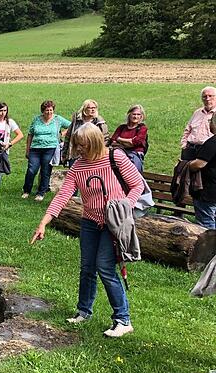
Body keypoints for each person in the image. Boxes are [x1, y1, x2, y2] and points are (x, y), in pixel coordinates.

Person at [31, 123, 144, 338]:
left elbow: (137, 185)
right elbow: (63, 195)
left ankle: (123, 319)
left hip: (114, 224)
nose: (79, 149)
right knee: (87, 267)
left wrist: (123, 207)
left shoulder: (116, 158)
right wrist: (44, 222)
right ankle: (84, 311)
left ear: (94, 142)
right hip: (90, 222)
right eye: (77, 145)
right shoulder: (78, 167)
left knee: (105, 267)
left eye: (82, 145)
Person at [22, 100, 70, 201]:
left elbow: (71, 125)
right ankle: (26, 190)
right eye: (47, 110)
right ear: (42, 111)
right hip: (35, 149)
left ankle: (41, 192)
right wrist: (28, 149)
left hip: (50, 148)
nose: (49, 112)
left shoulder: (58, 119)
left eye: (51, 110)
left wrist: (63, 133)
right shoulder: (36, 119)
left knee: (46, 170)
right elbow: (30, 134)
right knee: (32, 170)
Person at [188, 118, 216, 228]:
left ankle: (210, 245)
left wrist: (186, 165)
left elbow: (199, 164)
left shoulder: (213, 142)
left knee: (206, 224)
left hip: (208, 191)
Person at [63, 99, 109, 163]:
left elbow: (105, 139)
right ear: (84, 109)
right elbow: (68, 137)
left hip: (92, 155)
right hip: (76, 153)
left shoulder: (100, 122)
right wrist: (64, 154)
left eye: (94, 108)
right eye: (90, 108)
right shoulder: (76, 121)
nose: (93, 110)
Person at [110, 105, 148, 172]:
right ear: (129, 114)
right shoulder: (121, 127)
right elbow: (113, 141)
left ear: (141, 116)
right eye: (134, 114)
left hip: (135, 155)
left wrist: (119, 139)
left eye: (138, 114)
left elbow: (135, 142)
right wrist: (129, 142)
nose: (135, 116)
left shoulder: (142, 128)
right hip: (119, 153)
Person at [180, 86, 216, 151]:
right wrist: (184, 143)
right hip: (190, 148)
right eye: (204, 96)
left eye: (210, 96)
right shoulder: (197, 112)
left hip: (208, 151)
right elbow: (188, 129)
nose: (207, 99)